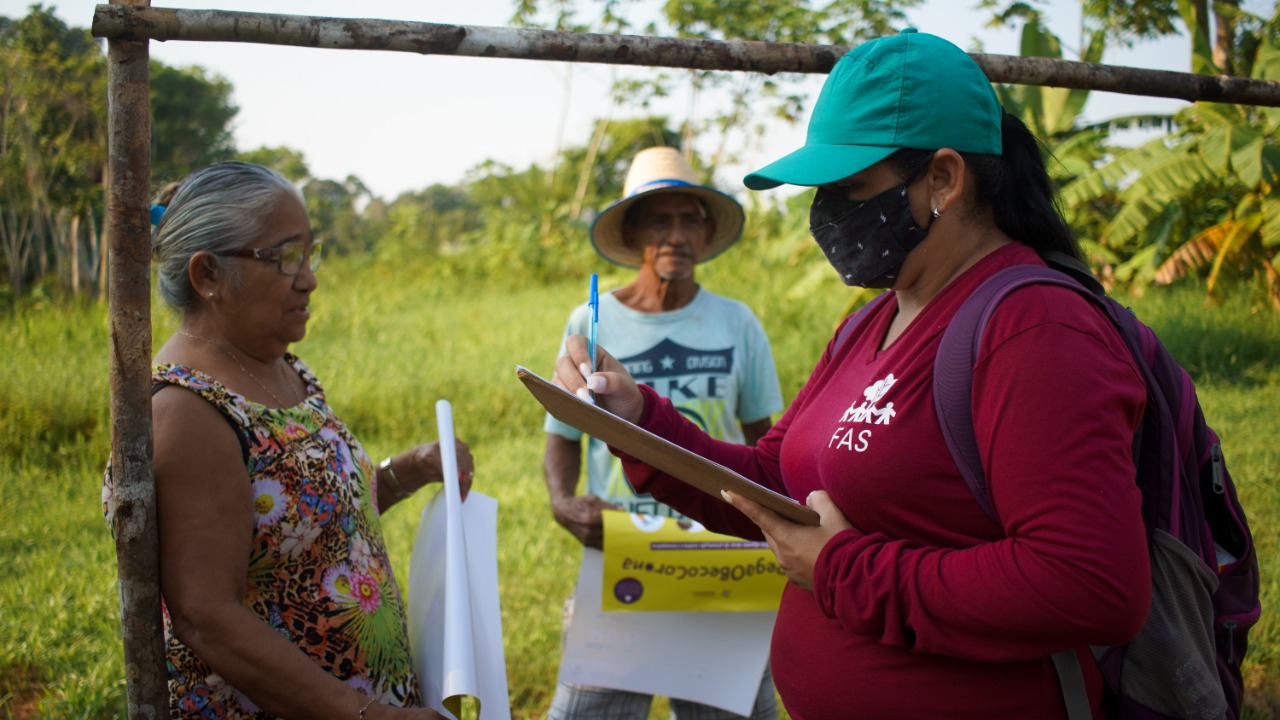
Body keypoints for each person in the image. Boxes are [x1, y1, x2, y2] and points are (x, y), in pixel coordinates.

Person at [550, 30, 1152, 720]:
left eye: (850, 188)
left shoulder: (1035, 330)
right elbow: (774, 482)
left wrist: (842, 570)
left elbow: (1092, 585)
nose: (828, 213)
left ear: (944, 179)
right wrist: (636, 420)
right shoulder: (872, 321)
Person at [101, 161, 474, 720]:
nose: (310, 278)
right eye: (286, 257)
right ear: (208, 275)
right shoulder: (186, 413)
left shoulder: (279, 368)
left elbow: (308, 520)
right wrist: (367, 715)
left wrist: (407, 471)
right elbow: (208, 617)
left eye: (310, 253)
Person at [543, 146, 784, 719]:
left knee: (728, 711)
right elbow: (562, 430)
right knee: (592, 710)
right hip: (622, 547)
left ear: (705, 233)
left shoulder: (737, 322)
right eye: (660, 219)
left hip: (717, 552)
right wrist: (562, 500)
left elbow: (764, 445)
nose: (677, 235)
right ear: (635, 233)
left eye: (690, 219)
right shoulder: (593, 322)